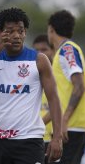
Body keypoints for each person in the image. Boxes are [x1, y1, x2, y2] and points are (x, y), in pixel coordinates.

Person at [0, 7, 62, 164]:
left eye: (21, 30)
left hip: (29, 141)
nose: (17, 36)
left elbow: (54, 99)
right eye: (10, 31)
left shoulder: (39, 60)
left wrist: (57, 137)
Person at [47, 10, 85, 164]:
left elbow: (79, 86)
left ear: (51, 30)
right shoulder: (62, 52)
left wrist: (64, 120)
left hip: (72, 127)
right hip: (69, 126)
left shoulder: (67, 50)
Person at [32, 34, 55, 163]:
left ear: (53, 50)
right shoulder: (28, 75)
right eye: (36, 50)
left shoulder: (59, 75)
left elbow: (59, 108)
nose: (40, 54)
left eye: (44, 49)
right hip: (33, 139)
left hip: (52, 139)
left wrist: (35, 124)